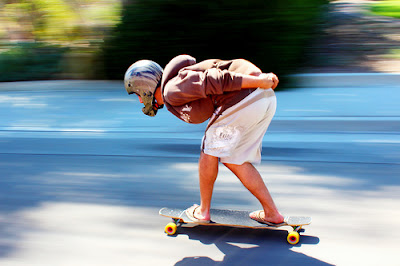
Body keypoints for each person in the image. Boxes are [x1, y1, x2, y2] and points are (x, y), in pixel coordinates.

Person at [124, 54, 284, 225]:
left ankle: (203, 211)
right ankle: (272, 213)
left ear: (145, 87)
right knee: (235, 160)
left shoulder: (172, 89)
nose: (140, 100)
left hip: (247, 95)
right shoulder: (174, 88)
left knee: (209, 149)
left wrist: (259, 82)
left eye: (138, 94)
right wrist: (260, 84)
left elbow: (214, 79)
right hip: (262, 98)